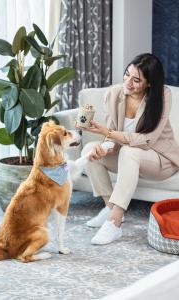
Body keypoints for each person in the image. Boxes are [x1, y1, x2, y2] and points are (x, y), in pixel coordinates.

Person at [80, 53, 179, 245]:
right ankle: (109, 207)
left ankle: (114, 222)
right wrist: (106, 149)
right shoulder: (114, 93)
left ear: (149, 83)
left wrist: (108, 132)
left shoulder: (162, 96)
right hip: (127, 157)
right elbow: (113, 137)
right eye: (127, 74)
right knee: (90, 149)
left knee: (129, 151)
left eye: (136, 80)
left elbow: (147, 140)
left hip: (160, 160)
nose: (128, 82)